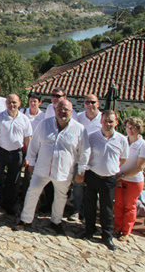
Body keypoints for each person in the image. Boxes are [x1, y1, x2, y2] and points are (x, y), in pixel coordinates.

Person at [14, 99, 90, 235]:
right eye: (59, 108)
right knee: (32, 192)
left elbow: (84, 151)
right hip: (42, 168)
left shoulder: (79, 129)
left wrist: (81, 170)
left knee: (60, 196)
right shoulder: (45, 124)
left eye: (66, 109)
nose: (62, 112)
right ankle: (25, 220)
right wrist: (30, 162)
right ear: (55, 110)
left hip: (64, 171)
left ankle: (56, 221)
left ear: (71, 112)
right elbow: (34, 144)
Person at [82, 110, 128, 251]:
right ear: (101, 121)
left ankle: (107, 236)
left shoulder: (122, 140)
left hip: (108, 179)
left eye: (111, 121)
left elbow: (123, 158)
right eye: (105, 121)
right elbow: (85, 155)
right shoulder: (92, 137)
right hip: (92, 175)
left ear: (116, 123)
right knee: (89, 206)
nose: (108, 124)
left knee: (107, 209)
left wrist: (111, 168)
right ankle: (89, 230)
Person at [0, 94, 32, 216]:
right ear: (6, 103)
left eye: (14, 102)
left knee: (13, 180)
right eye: (9, 102)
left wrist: (27, 157)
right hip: (1, 152)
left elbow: (28, 139)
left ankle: (8, 204)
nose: (12, 105)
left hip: (17, 153)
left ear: (19, 103)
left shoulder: (24, 119)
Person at [114, 117, 145, 242]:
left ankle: (126, 231)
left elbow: (139, 167)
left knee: (130, 206)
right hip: (119, 178)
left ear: (139, 129)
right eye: (128, 127)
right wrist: (117, 175)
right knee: (118, 204)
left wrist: (122, 175)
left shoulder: (144, 146)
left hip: (134, 181)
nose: (130, 129)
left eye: (133, 127)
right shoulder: (122, 140)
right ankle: (116, 227)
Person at [68, 93, 102, 222]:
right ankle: (77, 210)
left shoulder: (102, 118)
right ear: (84, 104)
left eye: (93, 102)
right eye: (87, 102)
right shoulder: (79, 117)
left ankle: (90, 214)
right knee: (77, 185)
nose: (90, 105)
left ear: (98, 104)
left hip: (97, 159)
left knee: (93, 187)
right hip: (80, 157)